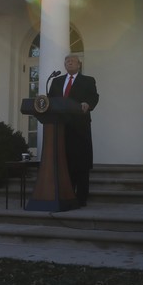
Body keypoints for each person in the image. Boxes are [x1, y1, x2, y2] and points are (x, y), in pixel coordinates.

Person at [48, 54, 99, 206]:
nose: (69, 63)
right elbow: (51, 100)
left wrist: (87, 104)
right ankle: (65, 194)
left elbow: (94, 97)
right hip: (60, 127)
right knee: (64, 161)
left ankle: (81, 197)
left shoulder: (88, 80)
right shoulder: (56, 81)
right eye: (67, 61)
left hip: (79, 127)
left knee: (81, 162)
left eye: (72, 61)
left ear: (79, 65)